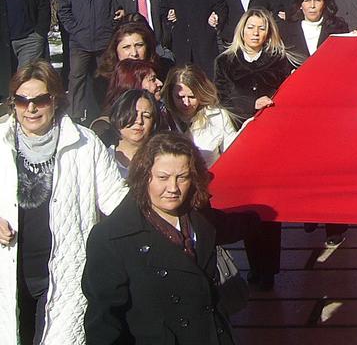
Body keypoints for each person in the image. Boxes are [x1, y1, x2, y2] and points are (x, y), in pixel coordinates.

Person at [0, 61, 127, 344]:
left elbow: (117, 203)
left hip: (65, 272)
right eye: (22, 101)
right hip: (9, 273)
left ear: (55, 100)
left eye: (40, 100)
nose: (31, 109)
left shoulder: (84, 143)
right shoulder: (1, 141)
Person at [83, 133, 242, 345]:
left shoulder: (201, 220)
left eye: (182, 177)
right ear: (144, 176)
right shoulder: (111, 237)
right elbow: (104, 320)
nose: (173, 188)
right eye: (163, 177)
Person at [213, 8, 291, 289]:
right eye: (250, 28)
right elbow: (223, 97)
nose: (255, 33)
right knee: (245, 207)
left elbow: (287, 97)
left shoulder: (279, 62)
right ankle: (251, 265)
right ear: (241, 31)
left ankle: (268, 269)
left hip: (270, 143)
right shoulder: (225, 62)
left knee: (268, 208)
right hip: (236, 139)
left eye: (261, 28)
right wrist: (252, 103)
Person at [166, 64, 239, 166]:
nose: (186, 103)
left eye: (192, 97)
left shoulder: (217, 117)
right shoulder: (164, 118)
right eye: (180, 97)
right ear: (170, 94)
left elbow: (233, 155)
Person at [279, 0, 349, 66]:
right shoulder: (286, 29)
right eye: (307, 0)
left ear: (324, 4)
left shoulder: (338, 28)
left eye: (317, 0)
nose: (312, 5)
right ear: (300, 5)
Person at [108, 88, 161, 178]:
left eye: (146, 116)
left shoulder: (159, 160)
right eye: (133, 114)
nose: (139, 121)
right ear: (118, 116)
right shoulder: (102, 155)